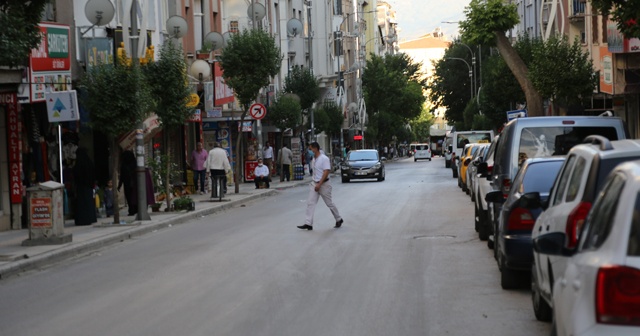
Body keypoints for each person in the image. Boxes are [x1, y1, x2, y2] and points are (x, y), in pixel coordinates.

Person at [298, 142, 343, 231]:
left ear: (315, 149)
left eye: (310, 149)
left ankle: (339, 219)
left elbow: (326, 172)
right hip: (315, 183)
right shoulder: (314, 159)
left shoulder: (324, 158)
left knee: (329, 203)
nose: (309, 151)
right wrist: (315, 182)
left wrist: (320, 184)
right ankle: (308, 223)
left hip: (324, 184)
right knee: (310, 203)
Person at [73, 148, 97, 226]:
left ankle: (83, 220)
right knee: (89, 203)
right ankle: (91, 218)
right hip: (89, 187)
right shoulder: (89, 163)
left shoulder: (79, 164)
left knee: (82, 204)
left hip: (81, 187)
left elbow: (76, 175)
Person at [118, 150, 138, 216]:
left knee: (129, 198)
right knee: (135, 196)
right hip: (135, 183)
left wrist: (119, 185)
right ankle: (135, 209)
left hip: (127, 184)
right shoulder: (135, 163)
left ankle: (131, 210)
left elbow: (122, 176)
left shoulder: (123, 164)